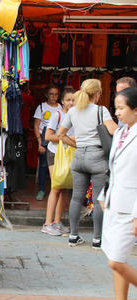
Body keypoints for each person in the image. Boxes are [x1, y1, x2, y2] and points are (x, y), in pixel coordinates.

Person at [57, 79, 118, 249]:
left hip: (79, 157)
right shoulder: (101, 110)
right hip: (98, 157)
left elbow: (60, 134)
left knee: (76, 198)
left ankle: (73, 236)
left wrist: (77, 144)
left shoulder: (73, 111)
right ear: (97, 93)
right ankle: (97, 240)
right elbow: (114, 131)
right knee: (98, 199)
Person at [99, 87, 137, 300]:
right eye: (116, 108)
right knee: (116, 260)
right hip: (114, 202)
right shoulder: (121, 132)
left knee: (116, 261)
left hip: (130, 207)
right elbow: (113, 167)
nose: (118, 113)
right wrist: (104, 196)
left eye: (122, 108)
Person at [41, 86, 75, 236]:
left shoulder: (77, 116)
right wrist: (66, 139)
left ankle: (58, 221)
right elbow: (48, 136)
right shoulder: (57, 115)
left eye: (74, 100)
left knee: (65, 188)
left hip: (69, 154)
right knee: (56, 187)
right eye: (68, 100)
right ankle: (47, 223)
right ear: (62, 101)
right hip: (55, 153)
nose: (71, 103)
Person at [33, 84, 62, 200]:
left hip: (57, 139)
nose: (54, 96)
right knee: (44, 165)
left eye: (56, 94)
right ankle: (41, 190)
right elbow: (36, 125)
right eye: (51, 94)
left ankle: (55, 191)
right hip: (44, 139)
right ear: (46, 95)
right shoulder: (41, 107)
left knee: (57, 166)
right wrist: (40, 142)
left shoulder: (61, 108)